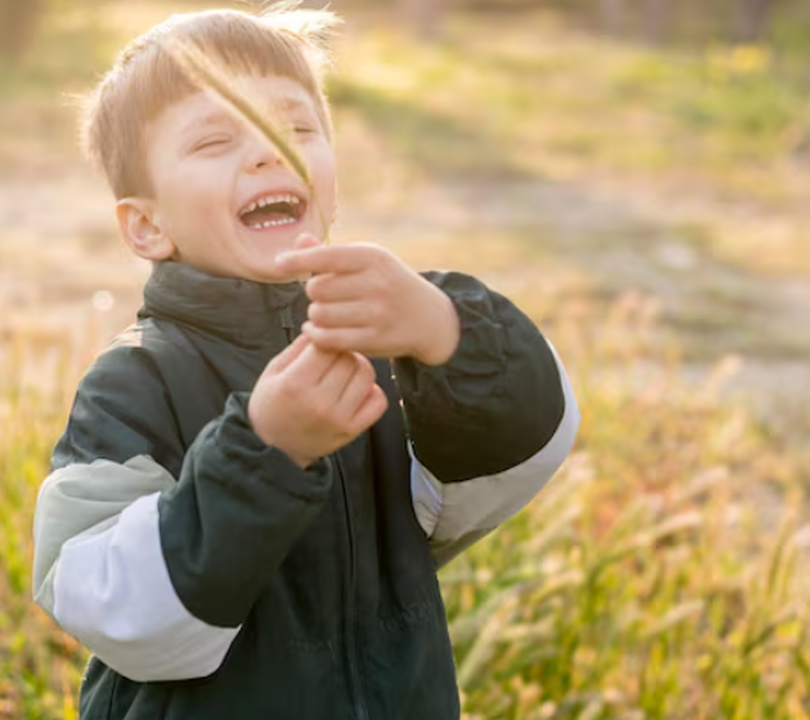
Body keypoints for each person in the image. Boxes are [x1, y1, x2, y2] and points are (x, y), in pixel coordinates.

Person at [30, 5, 580, 719]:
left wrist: (446, 330)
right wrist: (268, 452)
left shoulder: (383, 348)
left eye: (296, 128)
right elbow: (108, 604)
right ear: (147, 224)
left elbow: (508, 471)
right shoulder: (136, 382)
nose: (268, 151)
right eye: (216, 139)